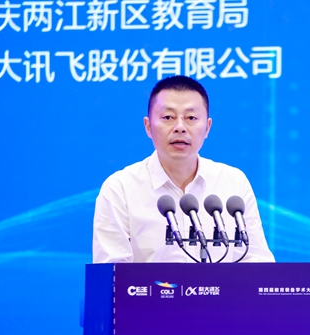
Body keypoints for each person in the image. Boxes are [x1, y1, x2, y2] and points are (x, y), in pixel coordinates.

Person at [93, 75, 274, 263]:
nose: (180, 127)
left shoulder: (233, 182)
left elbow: (258, 262)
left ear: (207, 128)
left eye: (191, 118)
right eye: (168, 117)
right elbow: (110, 271)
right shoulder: (120, 188)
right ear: (148, 126)